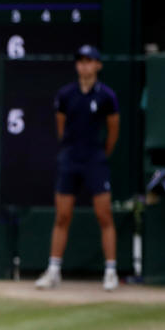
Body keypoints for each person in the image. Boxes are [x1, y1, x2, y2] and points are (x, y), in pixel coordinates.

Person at [35, 45, 120, 292]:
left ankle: (111, 271)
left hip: (95, 160)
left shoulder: (107, 96)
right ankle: (53, 270)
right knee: (62, 216)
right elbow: (61, 128)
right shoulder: (65, 94)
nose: (84, 65)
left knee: (104, 215)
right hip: (70, 159)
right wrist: (70, 151)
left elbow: (113, 131)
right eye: (81, 61)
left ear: (98, 65)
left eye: (89, 61)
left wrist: (100, 154)